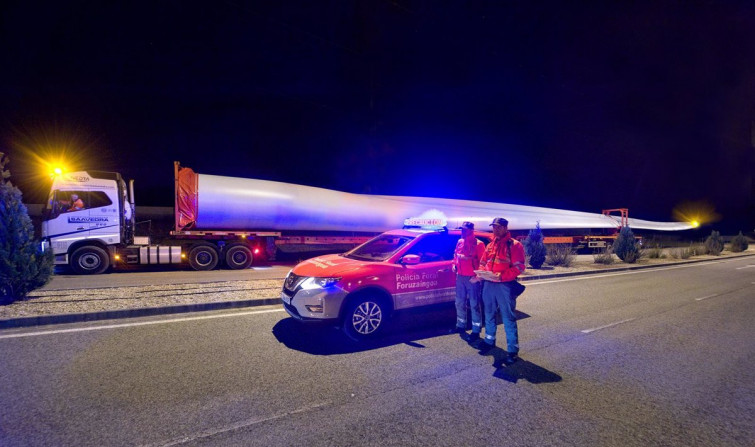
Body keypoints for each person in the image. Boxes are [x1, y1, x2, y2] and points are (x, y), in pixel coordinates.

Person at [474, 217, 526, 365]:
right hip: (489, 284)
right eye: (493, 227)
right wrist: (483, 272)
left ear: (505, 228)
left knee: (508, 317)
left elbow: (519, 267)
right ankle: (489, 341)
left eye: (498, 227)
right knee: (489, 313)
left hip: (505, 285)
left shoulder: (515, 245)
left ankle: (512, 350)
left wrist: (501, 276)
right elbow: (483, 262)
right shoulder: (490, 245)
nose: (495, 229)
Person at [450, 221, 485, 339]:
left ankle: (476, 330)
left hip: (472, 279)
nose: (463, 232)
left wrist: (478, 277)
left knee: (474, 304)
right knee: (459, 302)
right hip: (460, 277)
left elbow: (483, 263)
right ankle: (461, 325)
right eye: (462, 229)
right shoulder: (460, 242)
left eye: (465, 230)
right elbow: (455, 255)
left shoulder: (479, 244)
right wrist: (454, 264)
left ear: (471, 230)